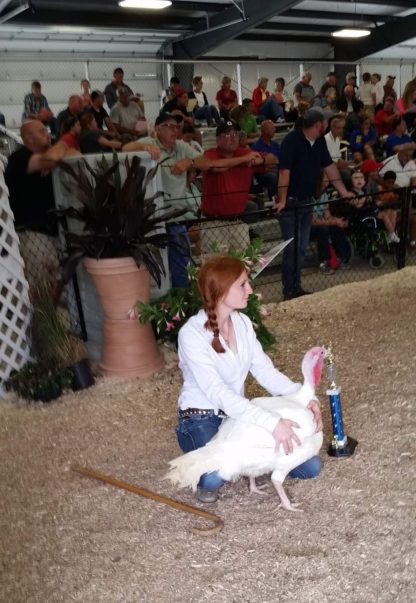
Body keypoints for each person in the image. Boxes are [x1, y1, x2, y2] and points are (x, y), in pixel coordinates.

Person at [176, 255, 323, 503]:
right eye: (243, 284)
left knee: (309, 467)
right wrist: (272, 424)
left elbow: (265, 372)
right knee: (213, 477)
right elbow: (217, 392)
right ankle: (231, 462)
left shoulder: (243, 323)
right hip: (200, 419)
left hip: (237, 416)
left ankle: (249, 462)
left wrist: (306, 396)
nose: (250, 290)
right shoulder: (191, 334)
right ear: (222, 291)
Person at [274, 108, 353, 301]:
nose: (325, 127)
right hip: (291, 203)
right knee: (292, 248)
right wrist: (283, 199)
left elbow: (330, 167)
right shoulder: (291, 141)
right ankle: (289, 290)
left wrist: (343, 191)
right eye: (324, 124)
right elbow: (284, 172)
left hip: (307, 201)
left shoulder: (318, 142)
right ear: (318, 125)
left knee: (300, 247)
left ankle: (296, 287)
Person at [251, 119, 280, 198]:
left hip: (276, 170)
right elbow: (256, 167)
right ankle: (273, 199)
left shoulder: (275, 145)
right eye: (272, 128)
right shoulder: (256, 147)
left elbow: (279, 160)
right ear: (265, 130)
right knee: (272, 176)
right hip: (262, 175)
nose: (275, 129)